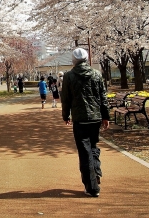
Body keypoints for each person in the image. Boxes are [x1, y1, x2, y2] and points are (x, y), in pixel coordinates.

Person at [62, 48, 110, 198]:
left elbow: (66, 98)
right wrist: (105, 116)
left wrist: (66, 115)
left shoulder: (69, 76)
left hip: (80, 119)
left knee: (84, 152)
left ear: (73, 60)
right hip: (95, 118)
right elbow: (103, 97)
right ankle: (96, 176)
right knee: (93, 147)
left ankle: (92, 187)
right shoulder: (96, 74)